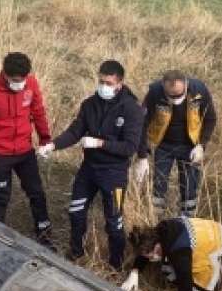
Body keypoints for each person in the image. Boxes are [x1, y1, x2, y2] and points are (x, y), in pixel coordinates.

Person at [37, 60, 143, 270]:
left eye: (109, 83)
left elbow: (129, 147)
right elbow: (75, 131)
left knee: (114, 222)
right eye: (101, 81)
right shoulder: (89, 104)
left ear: (119, 83)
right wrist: (52, 145)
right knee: (76, 211)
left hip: (114, 173)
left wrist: (99, 143)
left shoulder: (132, 109)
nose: (104, 86)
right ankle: (75, 252)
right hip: (89, 170)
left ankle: (115, 265)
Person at [0, 52, 53, 246]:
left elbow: (38, 112)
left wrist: (45, 139)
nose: (20, 84)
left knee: (36, 192)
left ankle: (45, 233)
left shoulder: (31, 84)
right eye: (16, 80)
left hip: (25, 151)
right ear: (5, 75)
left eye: (23, 80)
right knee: (0, 197)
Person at [121, 217, 222, 291]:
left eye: (152, 256)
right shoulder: (162, 229)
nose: (152, 259)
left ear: (156, 245)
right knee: (167, 267)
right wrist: (134, 272)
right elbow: (145, 250)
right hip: (216, 230)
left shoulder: (180, 254)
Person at [134, 70, 217, 217]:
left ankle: (187, 221)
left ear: (185, 85)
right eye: (171, 96)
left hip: (190, 145)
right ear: (163, 87)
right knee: (158, 185)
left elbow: (210, 119)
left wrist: (201, 146)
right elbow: (141, 123)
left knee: (190, 187)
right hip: (163, 144)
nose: (175, 98)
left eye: (179, 95)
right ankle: (157, 220)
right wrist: (142, 156)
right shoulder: (155, 92)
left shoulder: (199, 90)